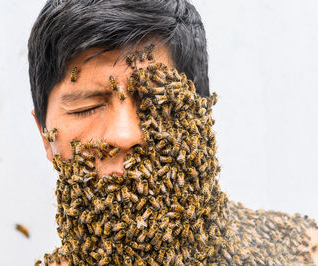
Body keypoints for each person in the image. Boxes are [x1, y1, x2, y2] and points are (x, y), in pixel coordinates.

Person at [28, 0, 318, 265]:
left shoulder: (305, 253)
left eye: (156, 102)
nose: (126, 135)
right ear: (45, 137)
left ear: (201, 120)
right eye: (86, 108)